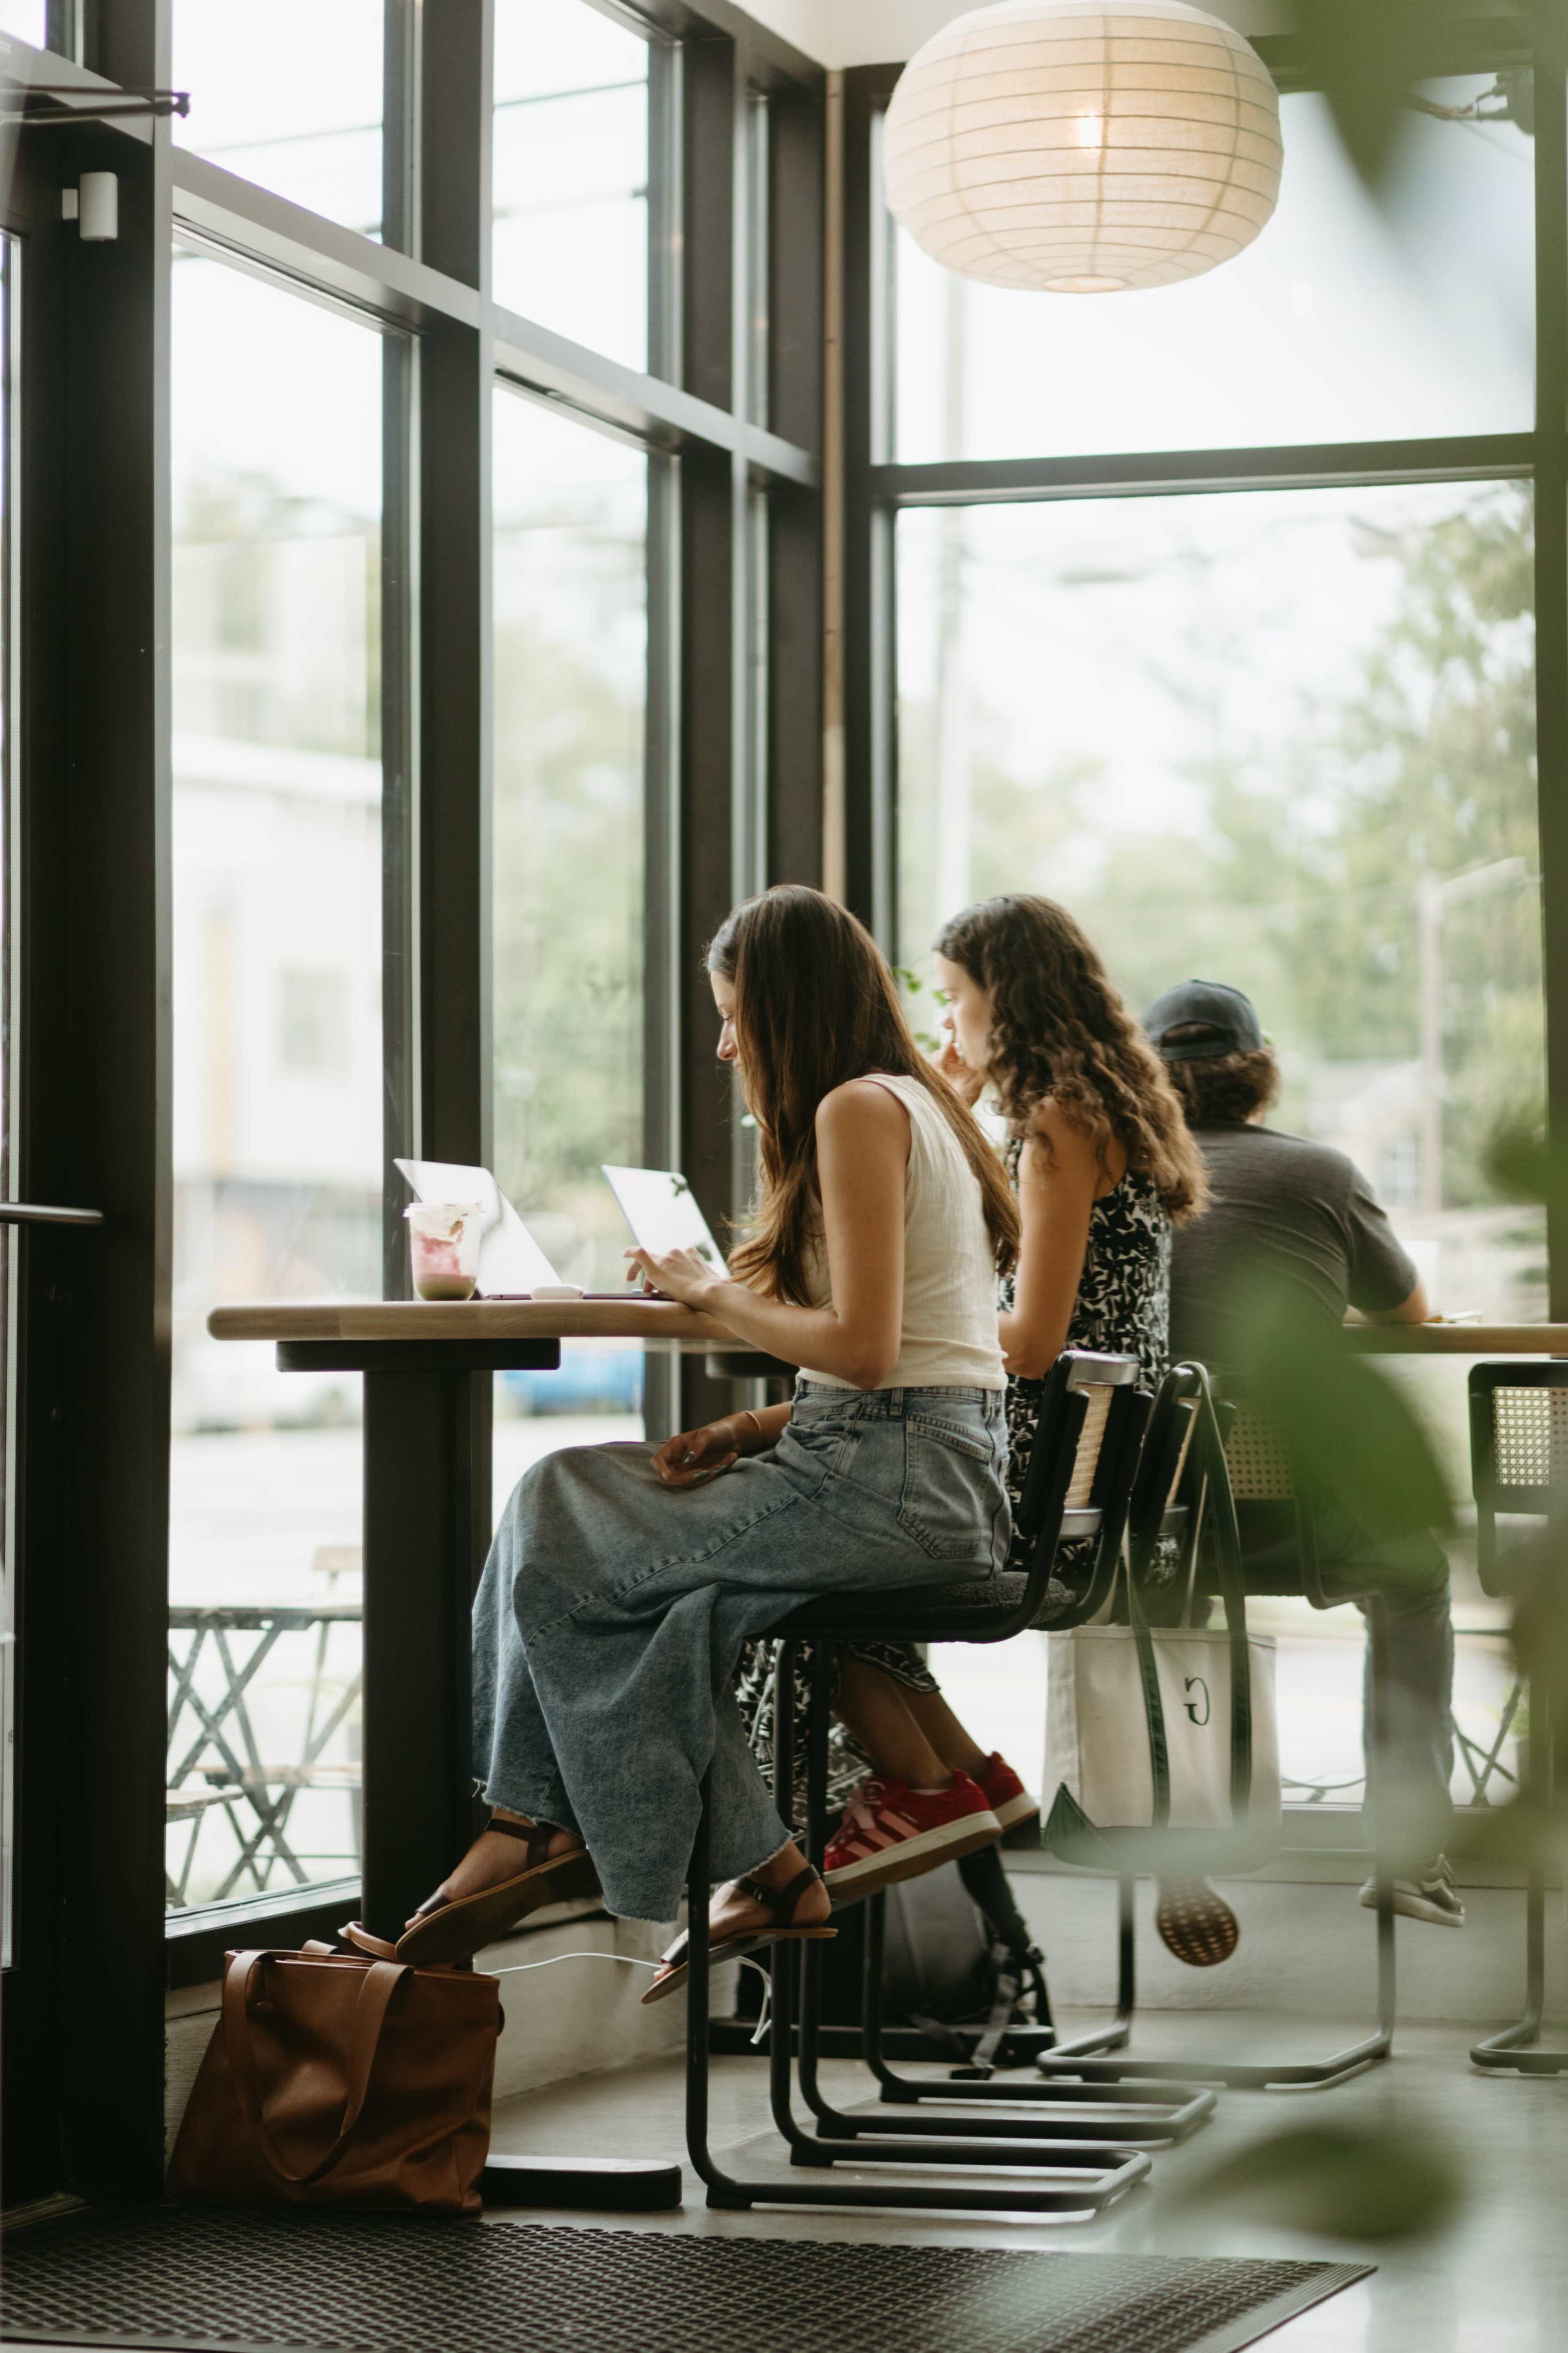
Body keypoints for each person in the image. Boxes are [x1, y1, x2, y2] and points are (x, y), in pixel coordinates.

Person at [358, 884, 1020, 1996]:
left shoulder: (856, 1109)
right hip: (915, 1469)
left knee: (563, 1526)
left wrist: (710, 1290)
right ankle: (739, 1856)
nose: (723, 1047)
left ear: (788, 1013)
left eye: (735, 1018)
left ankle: (533, 1830)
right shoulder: (914, 1101)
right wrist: (748, 1420)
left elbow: (861, 1351)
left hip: (887, 1478)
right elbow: (909, 1349)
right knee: (599, 1540)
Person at [756, 895, 1208, 1923]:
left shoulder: (1055, 1123)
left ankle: (914, 1805)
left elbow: (1034, 1338)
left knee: (830, 1563)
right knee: (850, 1547)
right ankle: (966, 1790)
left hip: (1048, 1473)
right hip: (1101, 1476)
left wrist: (921, 1319)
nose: (946, 1023)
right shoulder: (1102, 1106)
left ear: (1010, 1001)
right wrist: (948, 1107)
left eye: (958, 999)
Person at [1144, 977, 1462, 1929]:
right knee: (1414, 1580)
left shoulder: (1122, 1184)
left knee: (1166, 1602)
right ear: (1260, 1072)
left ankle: (1169, 1830)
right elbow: (1408, 1311)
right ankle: (1409, 1849)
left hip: (1159, 1528)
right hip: (1302, 1529)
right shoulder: (1322, 1174)